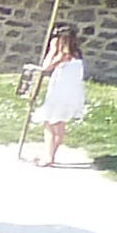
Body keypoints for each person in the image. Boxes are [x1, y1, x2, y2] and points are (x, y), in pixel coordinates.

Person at [30, 24, 91, 167]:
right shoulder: (76, 55)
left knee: (51, 124)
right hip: (72, 94)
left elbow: (46, 67)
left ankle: (48, 157)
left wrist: (51, 49)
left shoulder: (62, 56)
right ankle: (49, 154)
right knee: (59, 124)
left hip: (60, 94)